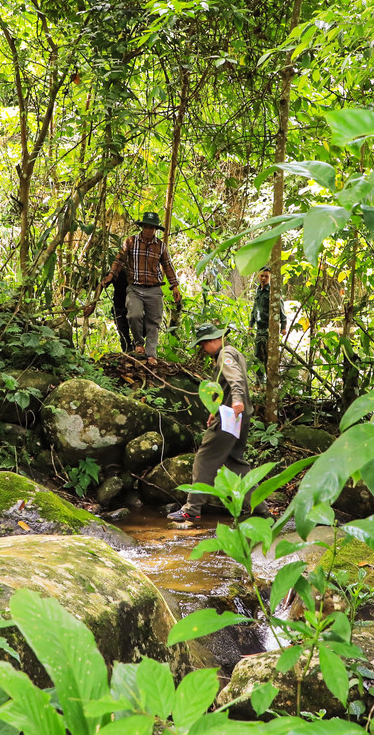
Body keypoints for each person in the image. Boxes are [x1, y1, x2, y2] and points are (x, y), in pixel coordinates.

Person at [169, 322, 265, 522]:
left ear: (213, 340)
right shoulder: (232, 352)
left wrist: (236, 400)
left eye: (204, 344)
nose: (203, 350)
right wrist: (215, 410)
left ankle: (192, 509)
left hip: (230, 415)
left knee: (204, 458)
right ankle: (261, 506)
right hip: (240, 415)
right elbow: (226, 387)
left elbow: (236, 381)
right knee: (234, 461)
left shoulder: (225, 355)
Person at [86, 211, 183, 362]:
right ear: (142, 227)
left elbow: (167, 265)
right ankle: (136, 345)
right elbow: (119, 261)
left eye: (152, 228)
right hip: (133, 290)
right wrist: (110, 276)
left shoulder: (160, 246)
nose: (149, 230)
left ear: (155, 229)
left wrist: (174, 286)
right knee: (133, 315)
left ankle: (151, 354)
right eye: (146, 227)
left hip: (153, 289)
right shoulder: (130, 243)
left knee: (153, 322)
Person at [249, 268, 285, 368]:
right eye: (262, 276)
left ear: (270, 278)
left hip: (269, 329)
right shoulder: (258, 290)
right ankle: (259, 381)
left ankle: (269, 381)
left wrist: (283, 326)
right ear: (258, 276)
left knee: (268, 357)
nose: (264, 278)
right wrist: (250, 325)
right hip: (259, 329)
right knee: (258, 356)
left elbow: (281, 309)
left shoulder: (273, 291)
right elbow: (254, 309)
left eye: (266, 276)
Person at [110, 264, 132, 352]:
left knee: (142, 330)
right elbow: (102, 283)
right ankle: (128, 354)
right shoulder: (114, 272)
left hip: (134, 306)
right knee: (124, 337)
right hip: (119, 308)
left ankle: (135, 348)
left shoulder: (135, 271)